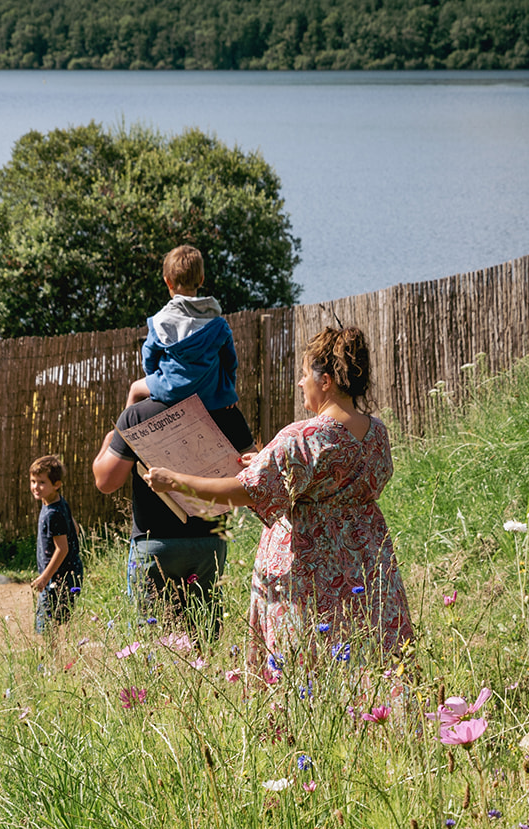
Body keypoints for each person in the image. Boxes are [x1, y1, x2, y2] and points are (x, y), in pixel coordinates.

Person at [143, 326, 413, 660]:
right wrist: (266, 463)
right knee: (367, 653)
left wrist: (175, 481)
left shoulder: (301, 435)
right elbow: (338, 479)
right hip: (368, 562)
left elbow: (244, 491)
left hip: (311, 569)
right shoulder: (377, 432)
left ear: (325, 380)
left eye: (304, 375)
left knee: (310, 665)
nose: (301, 383)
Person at [91, 398, 255, 634]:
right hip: (210, 543)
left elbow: (106, 482)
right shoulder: (225, 411)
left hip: (154, 542)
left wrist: (111, 440)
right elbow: (256, 473)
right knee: (203, 636)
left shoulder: (136, 416)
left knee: (154, 642)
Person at [125, 245, 238, 411]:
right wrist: (228, 391)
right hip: (208, 393)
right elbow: (230, 362)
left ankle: (125, 434)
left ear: (167, 282)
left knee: (135, 389)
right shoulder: (218, 324)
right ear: (201, 279)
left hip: (171, 390)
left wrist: (156, 379)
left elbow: (149, 357)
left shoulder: (161, 321)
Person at [28, 454, 82, 633]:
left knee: (47, 626)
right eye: (33, 481)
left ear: (56, 484)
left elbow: (62, 548)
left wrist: (44, 577)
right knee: (59, 623)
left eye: (42, 482)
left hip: (57, 579)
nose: (36, 487)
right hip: (68, 573)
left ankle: (53, 658)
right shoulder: (59, 502)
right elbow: (74, 527)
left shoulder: (52, 513)